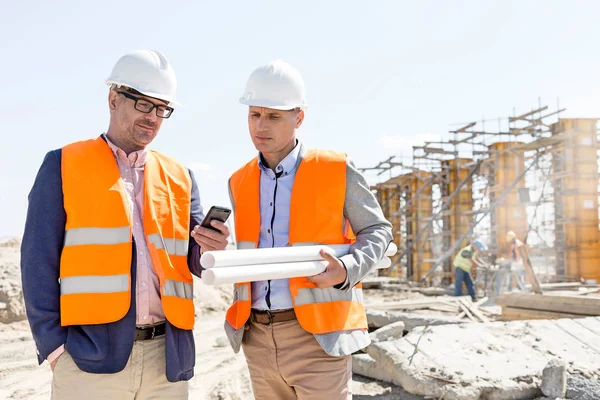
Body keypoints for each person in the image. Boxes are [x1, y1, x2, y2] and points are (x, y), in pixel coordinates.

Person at [20, 49, 229, 400]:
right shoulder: (63, 164)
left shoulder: (180, 176)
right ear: (114, 99)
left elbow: (191, 258)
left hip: (168, 360)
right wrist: (55, 348)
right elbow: (37, 262)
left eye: (162, 109)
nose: (154, 118)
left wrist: (211, 246)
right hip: (89, 362)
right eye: (144, 104)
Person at [223, 59, 393, 400]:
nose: (261, 126)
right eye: (254, 114)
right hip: (257, 335)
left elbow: (377, 231)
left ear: (298, 117)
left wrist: (344, 269)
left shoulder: (335, 168)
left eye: (273, 116)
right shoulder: (239, 181)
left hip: (317, 338)